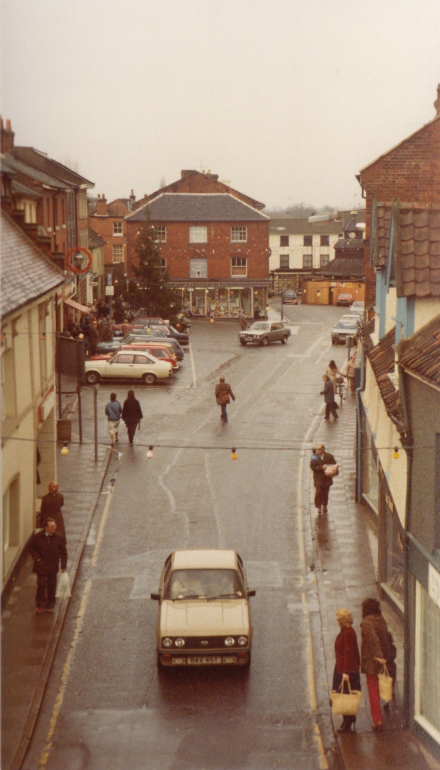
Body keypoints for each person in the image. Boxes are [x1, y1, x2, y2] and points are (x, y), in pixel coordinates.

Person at [360, 597, 393, 731]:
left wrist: (378, 656)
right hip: (383, 658)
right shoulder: (381, 620)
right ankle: (384, 707)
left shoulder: (367, 623)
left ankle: (377, 720)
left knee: (372, 689)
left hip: (372, 660)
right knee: (381, 685)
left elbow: (373, 640)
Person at [28, 518, 68, 614]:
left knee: (52, 586)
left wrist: (63, 566)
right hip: (41, 566)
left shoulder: (59, 537)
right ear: (46, 528)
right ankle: (40, 605)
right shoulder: (37, 537)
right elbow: (31, 549)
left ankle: (50, 605)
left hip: (52, 566)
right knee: (41, 585)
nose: (54, 528)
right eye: (52, 526)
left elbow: (64, 552)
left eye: (55, 526)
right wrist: (37, 559)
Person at [333, 608, 361, 732]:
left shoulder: (348, 633)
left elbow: (348, 654)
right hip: (342, 667)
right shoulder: (346, 631)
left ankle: (347, 721)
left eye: (339, 619)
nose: (337, 621)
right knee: (345, 695)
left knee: (345, 696)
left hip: (346, 670)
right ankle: (348, 719)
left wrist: (345, 672)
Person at [310, 444, 337, 514]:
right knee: (318, 493)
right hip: (318, 478)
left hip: (326, 478)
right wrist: (321, 468)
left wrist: (332, 470)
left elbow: (334, 465)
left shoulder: (329, 456)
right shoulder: (314, 457)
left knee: (325, 493)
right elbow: (312, 467)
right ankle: (318, 507)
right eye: (317, 449)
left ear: (323, 450)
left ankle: (324, 505)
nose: (317, 451)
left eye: (319, 449)